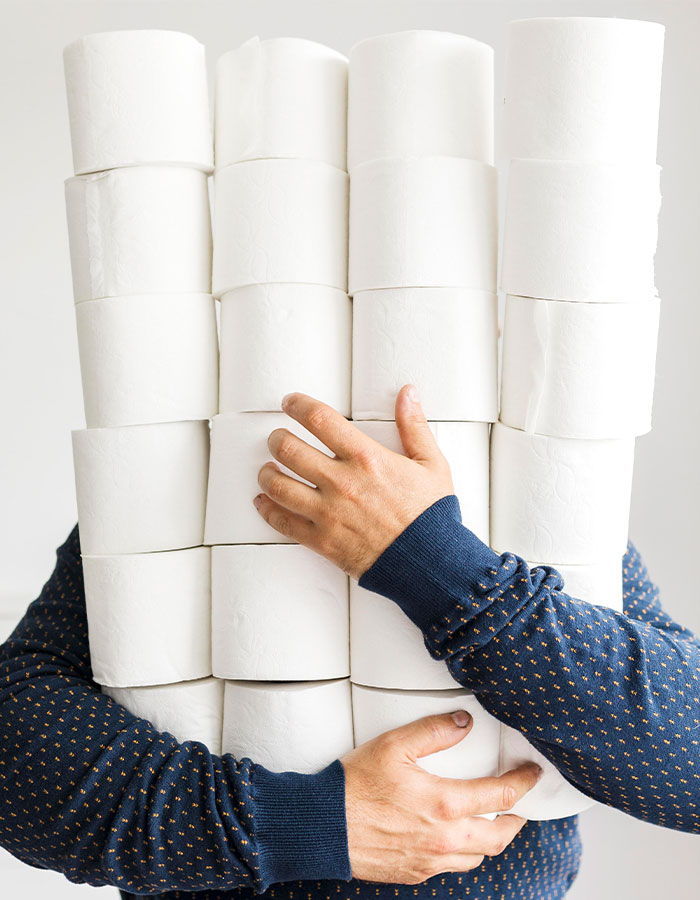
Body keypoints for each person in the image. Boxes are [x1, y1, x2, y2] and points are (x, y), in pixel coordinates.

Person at [1, 386, 698, 900]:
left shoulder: (541, 496)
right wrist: (297, 823)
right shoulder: (187, 489)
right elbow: (13, 747)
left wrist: (436, 563)